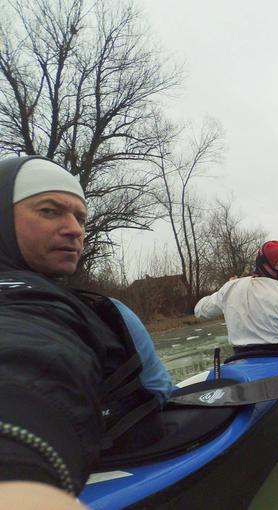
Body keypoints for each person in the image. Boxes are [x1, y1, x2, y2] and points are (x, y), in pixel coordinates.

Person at [0, 155, 172, 502]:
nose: (75, 229)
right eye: (49, 210)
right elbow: (26, 357)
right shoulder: (98, 312)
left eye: (80, 217)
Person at [194, 240, 278, 351]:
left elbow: (200, 311)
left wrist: (225, 290)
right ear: (265, 265)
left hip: (241, 355)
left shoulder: (231, 286)